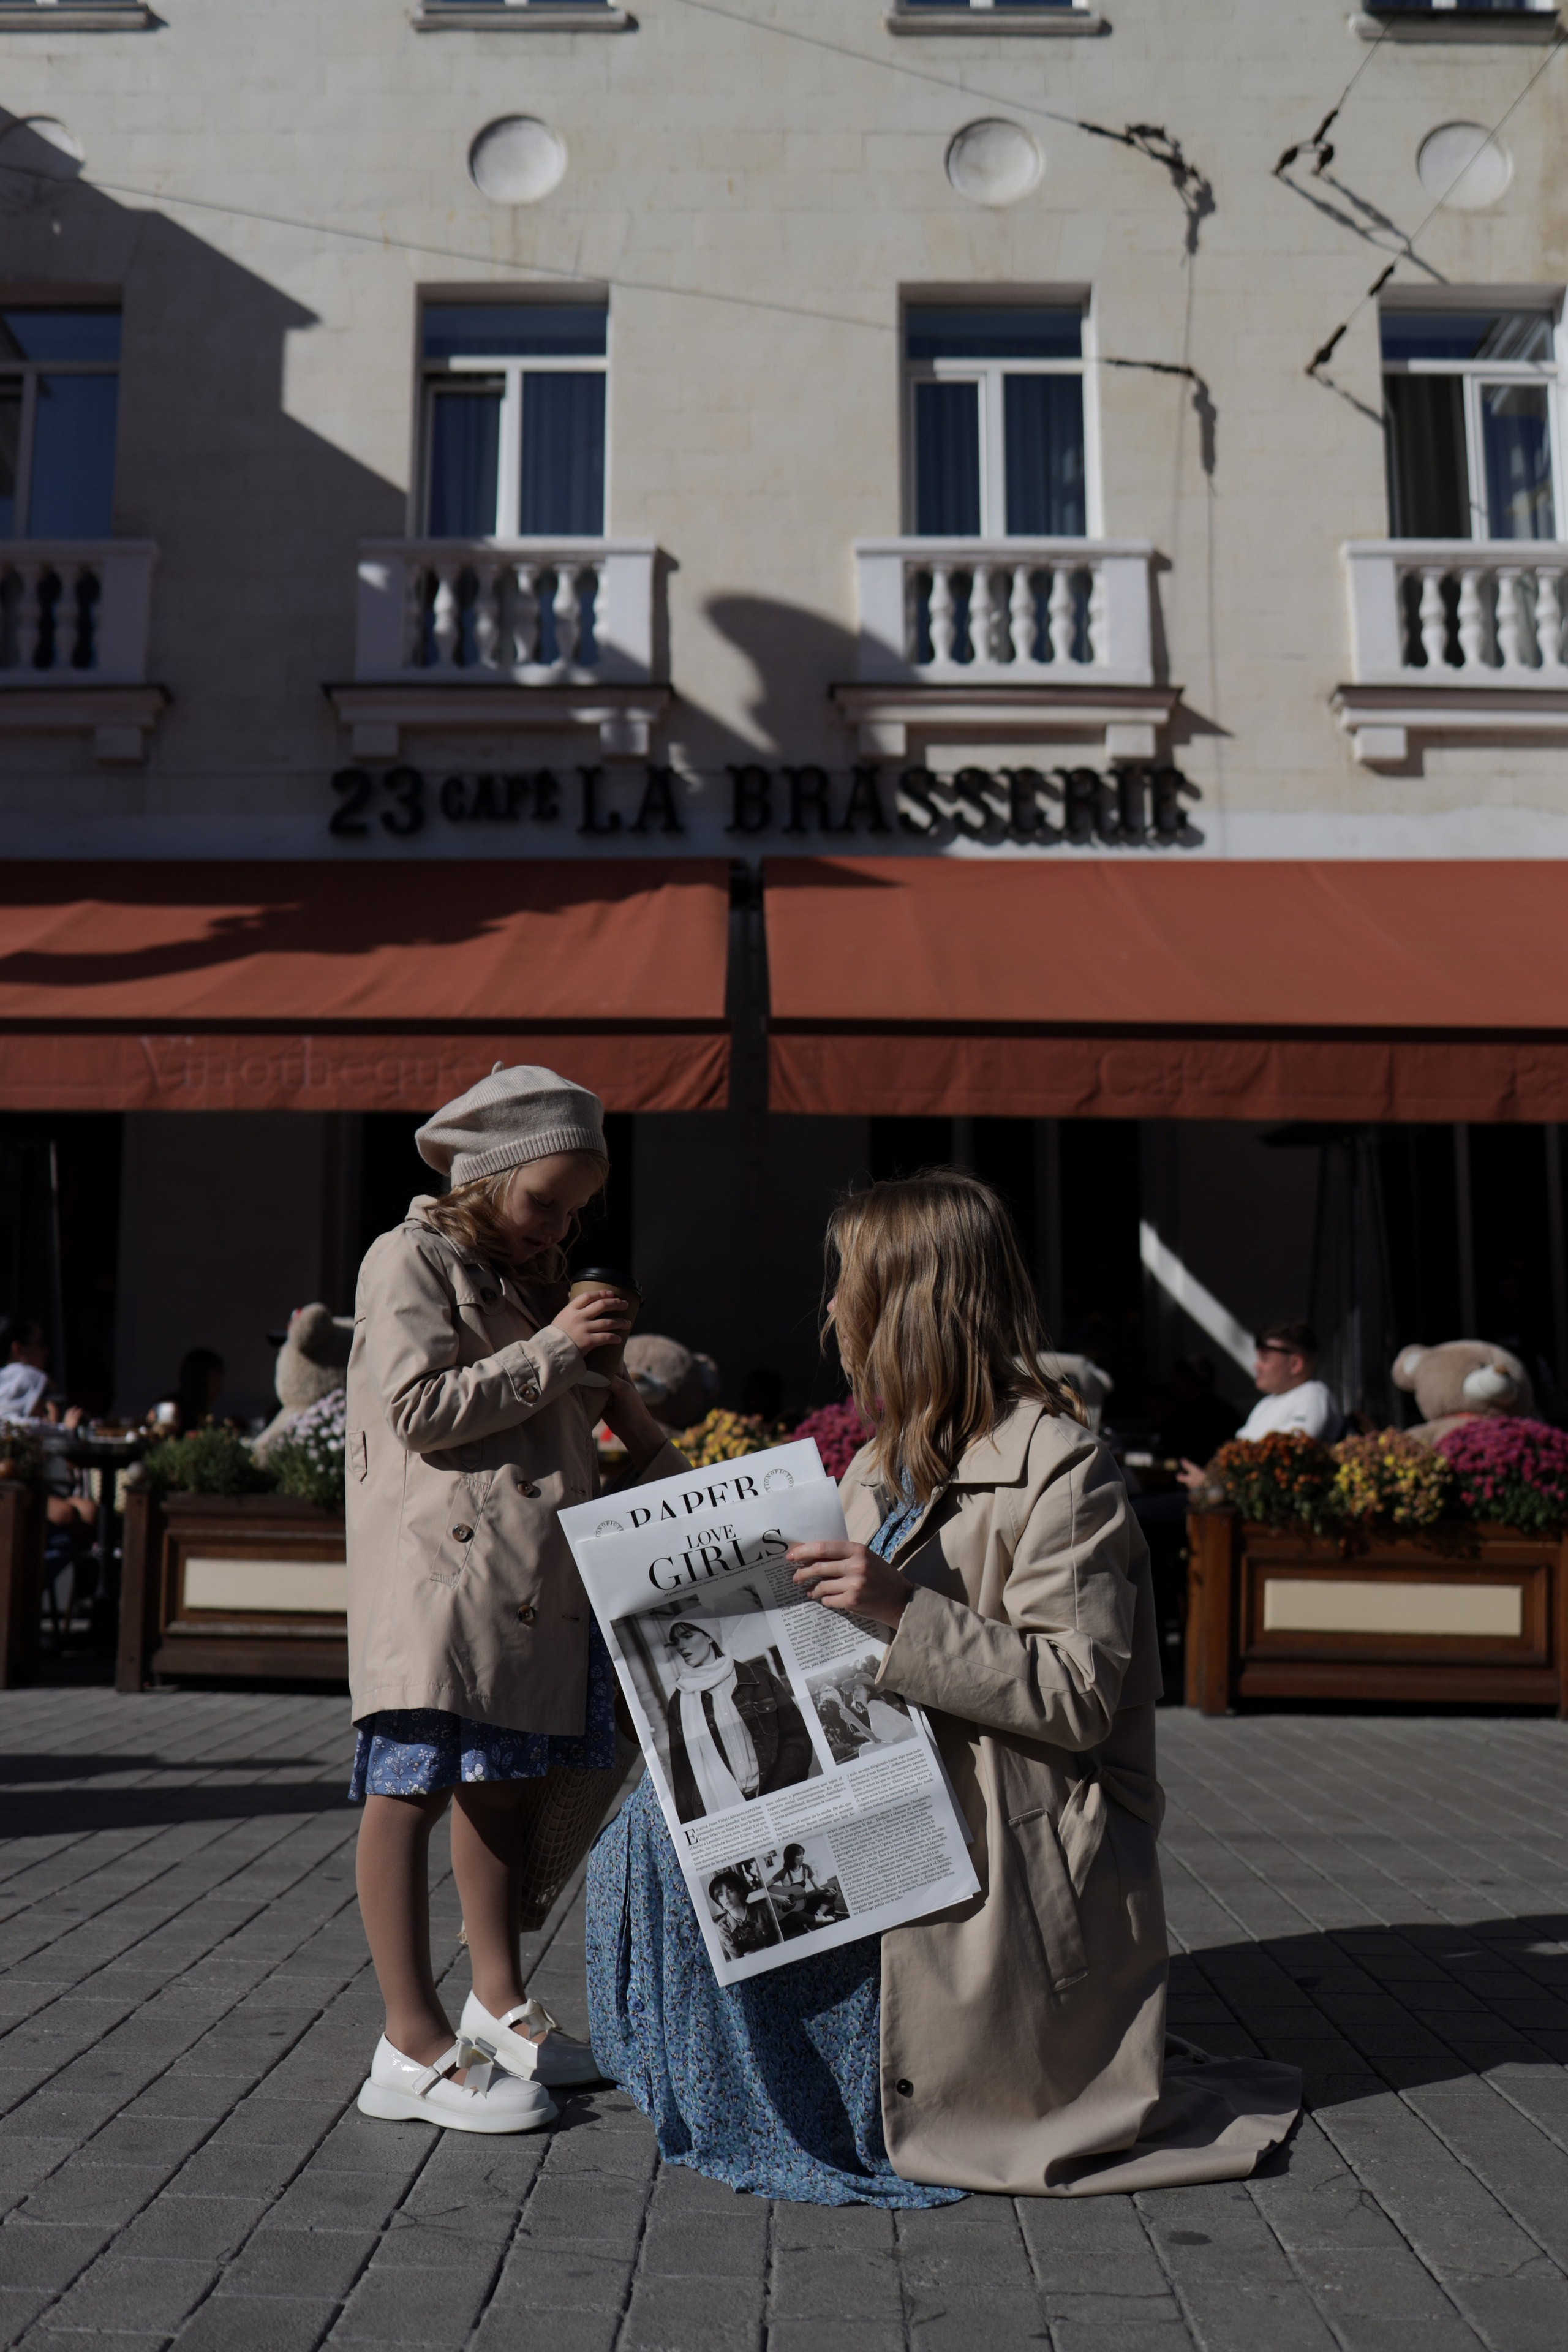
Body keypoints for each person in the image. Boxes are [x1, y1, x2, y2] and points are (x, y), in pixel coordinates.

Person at [587, 1170, 1300, 2202]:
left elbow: (1080, 1693)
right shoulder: (881, 1458)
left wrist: (897, 1609)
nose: (828, 1307)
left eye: (847, 1283)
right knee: (657, 1828)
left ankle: (833, 2092)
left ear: (910, 1303)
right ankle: (745, 2086)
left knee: (716, 1851)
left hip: (1007, 1817)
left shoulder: (1065, 1469)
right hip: (890, 1765)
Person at [346, 1063, 686, 2135]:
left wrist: (605, 1368)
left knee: (496, 1789)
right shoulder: (406, 1258)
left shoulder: (530, 1283)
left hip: (522, 1586)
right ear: (486, 1175)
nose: (558, 1228)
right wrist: (550, 1349)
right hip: (436, 1581)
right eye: (545, 1201)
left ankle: (497, 2010)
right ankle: (410, 2039)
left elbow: (619, 1443)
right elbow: (415, 1409)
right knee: (407, 1792)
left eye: (577, 1211)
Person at [662, 1619, 813, 1823]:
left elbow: (797, 1740)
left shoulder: (758, 1679)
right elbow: (683, 1775)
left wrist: (776, 1793)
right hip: (727, 1814)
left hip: (779, 1798)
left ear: (709, 1636)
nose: (681, 1646)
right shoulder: (679, 1702)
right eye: (676, 1641)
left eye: (688, 1636)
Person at [1179, 1319, 1339, 1492]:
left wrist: (1211, 1484)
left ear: (1296, 1364)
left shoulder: (1313, 1395)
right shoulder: (1266, 1404)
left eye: (1264, 1359)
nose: (1256, 1366)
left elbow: (1287, 1463)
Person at [0, 1316, 50, 1422]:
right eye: (40, 1344)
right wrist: (65, 1430)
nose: (46, 1351)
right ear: (18, 1349)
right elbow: (15, 1426)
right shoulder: (28, 1375)